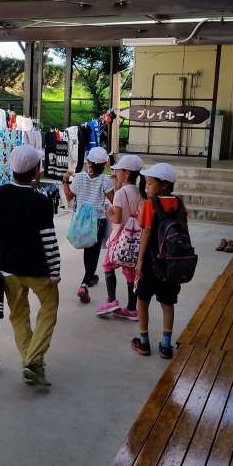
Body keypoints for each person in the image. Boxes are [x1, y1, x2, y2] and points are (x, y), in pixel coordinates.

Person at [0, 144, 60, 387]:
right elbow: (49, 239)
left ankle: (30, 360)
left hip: (8, 268)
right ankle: (33, 361)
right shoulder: (41, 201)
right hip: (38, 270)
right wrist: (55, 270)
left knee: (19, 315)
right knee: (49, 308)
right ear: (36, 170)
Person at [132, 162, 183, 359]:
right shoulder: (179, 203)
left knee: (142, 300)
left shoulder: (150, 204)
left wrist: (139, 261)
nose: (147, 188)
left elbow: (146, 232)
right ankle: (166, 346)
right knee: (167, 303)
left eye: (150, 183)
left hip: (151, 262)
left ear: (164, 185)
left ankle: (144, 341)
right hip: (171, 264)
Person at [63, 146, 114, 304]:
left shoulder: (79, 178)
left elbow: (69, 196)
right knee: (94, 251)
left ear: (88, 161)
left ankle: (90, 277)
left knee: (87, 249)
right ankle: (85, 283)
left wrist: (65, 180)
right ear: (105, 164)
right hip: (98, 220)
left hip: (81, 220)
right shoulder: (105, 180)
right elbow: (114, 199)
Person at [97, 154, 144, 320]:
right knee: (130, 271)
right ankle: (131, 308)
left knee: (108, 265)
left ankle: (111, 300)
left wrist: (108, 212)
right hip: (134, 240)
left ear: (127, 173)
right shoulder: (141, 192)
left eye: (118, 171)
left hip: (119, 238)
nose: (115, 173)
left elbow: (116, 219)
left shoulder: (120, 194)